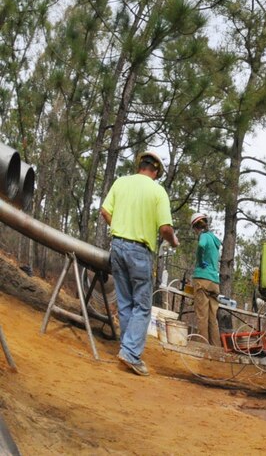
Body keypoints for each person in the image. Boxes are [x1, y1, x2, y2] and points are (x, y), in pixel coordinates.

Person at [99, 150, 178, 376]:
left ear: (140, 166)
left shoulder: (121, 182)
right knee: (142, 305)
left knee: (125, 302)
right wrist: (173, 241)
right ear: (155, 171)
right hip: (139, 252)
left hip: (118, 247)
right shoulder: (158, 191)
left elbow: (105, 211)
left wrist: (120, 226)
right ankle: (131, 353)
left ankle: (127, 347)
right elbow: (165, 228)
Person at [189, 212, 222, 347]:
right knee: (212, 318)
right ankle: (215, 348)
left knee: (202, 316)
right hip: (214, 282)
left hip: (202, 279)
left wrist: (201, 260)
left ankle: (203, 347)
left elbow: (202, 245)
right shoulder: (214, 239)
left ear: (196, 227)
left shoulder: (203, 236)